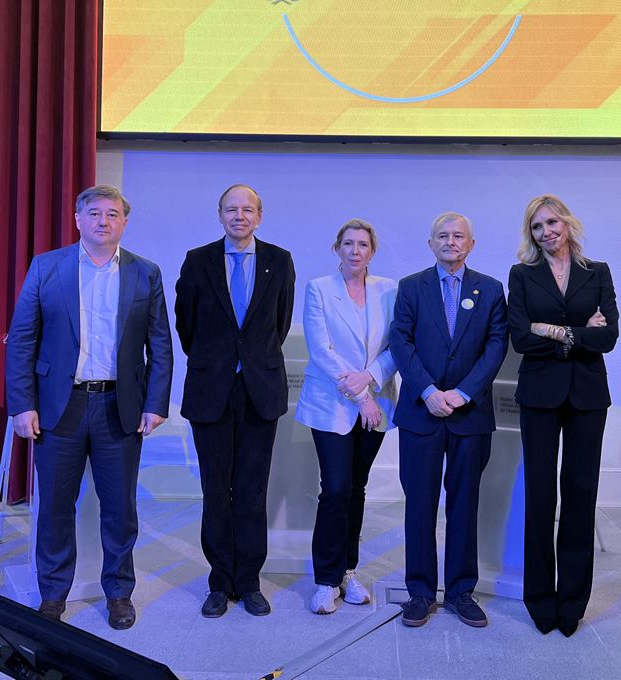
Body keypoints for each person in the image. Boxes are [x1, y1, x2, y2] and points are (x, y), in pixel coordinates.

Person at [5, 184, 172, 630]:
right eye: (94, 213)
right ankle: (52, 595)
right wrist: (22, 404)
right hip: (60, 408)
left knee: (120, 509)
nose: (104, 221)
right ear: (78, 219)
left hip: (120, 406)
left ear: (124, 222)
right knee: (56, 508)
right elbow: (22, 339)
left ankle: (119, 593)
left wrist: (156, 403)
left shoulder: (145, 273)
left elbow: (160, 343)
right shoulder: (47, 267)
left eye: (113, 214)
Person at [175, 184, 296, 618]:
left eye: (247, 209)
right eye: (231, 209)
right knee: (215, 489)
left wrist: (249, 362)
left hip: (260, 393)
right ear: (220, 214)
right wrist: (220, 362)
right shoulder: (198, 260)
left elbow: (278, 325)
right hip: (211, 392)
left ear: (259, 216)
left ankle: (248, 581)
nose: (239, 216)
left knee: (251, 489)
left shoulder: (279, 261)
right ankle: (219, 580)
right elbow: (186, 326)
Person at [507, 193, 619, 637]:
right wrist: (578, 333)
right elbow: (520, 337)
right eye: (537, 226)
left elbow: (609, 336)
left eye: (552, 222)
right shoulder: (522, 274)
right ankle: (540, 599)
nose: (546, 232)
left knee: (579, 496)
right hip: (539, 396)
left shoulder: (598, 272)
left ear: (568, 224)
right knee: (539, 497)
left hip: (588, 397)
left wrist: (549, 330)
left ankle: (572, 602)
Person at [389, 212, 508, 628]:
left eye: (459, 236)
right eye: (443, 235)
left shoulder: (491, 290)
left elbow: (496, 346)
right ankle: (420, 592)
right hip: (421, 413)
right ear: (431, 243)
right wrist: (428, 391)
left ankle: (460, 591)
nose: (451, 241)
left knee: (464, 504)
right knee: (419, 504)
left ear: (471, 244)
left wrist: (462, 393)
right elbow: (400, 342)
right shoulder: (410, 287)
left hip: (469, 414)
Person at [294, 219, 399, 615]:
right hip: (333, 403)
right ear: (335, 247)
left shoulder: (390, 290)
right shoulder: (319, 289)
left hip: (377, 402)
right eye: (348, 244)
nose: (355, 251)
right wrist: (361, 395)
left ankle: (347, 572)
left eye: (363, 245)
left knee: (357, 489)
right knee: (335, 489)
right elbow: (321, 351)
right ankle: (325, 579)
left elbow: (396, 345)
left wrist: (371, 380)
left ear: (373, 251)